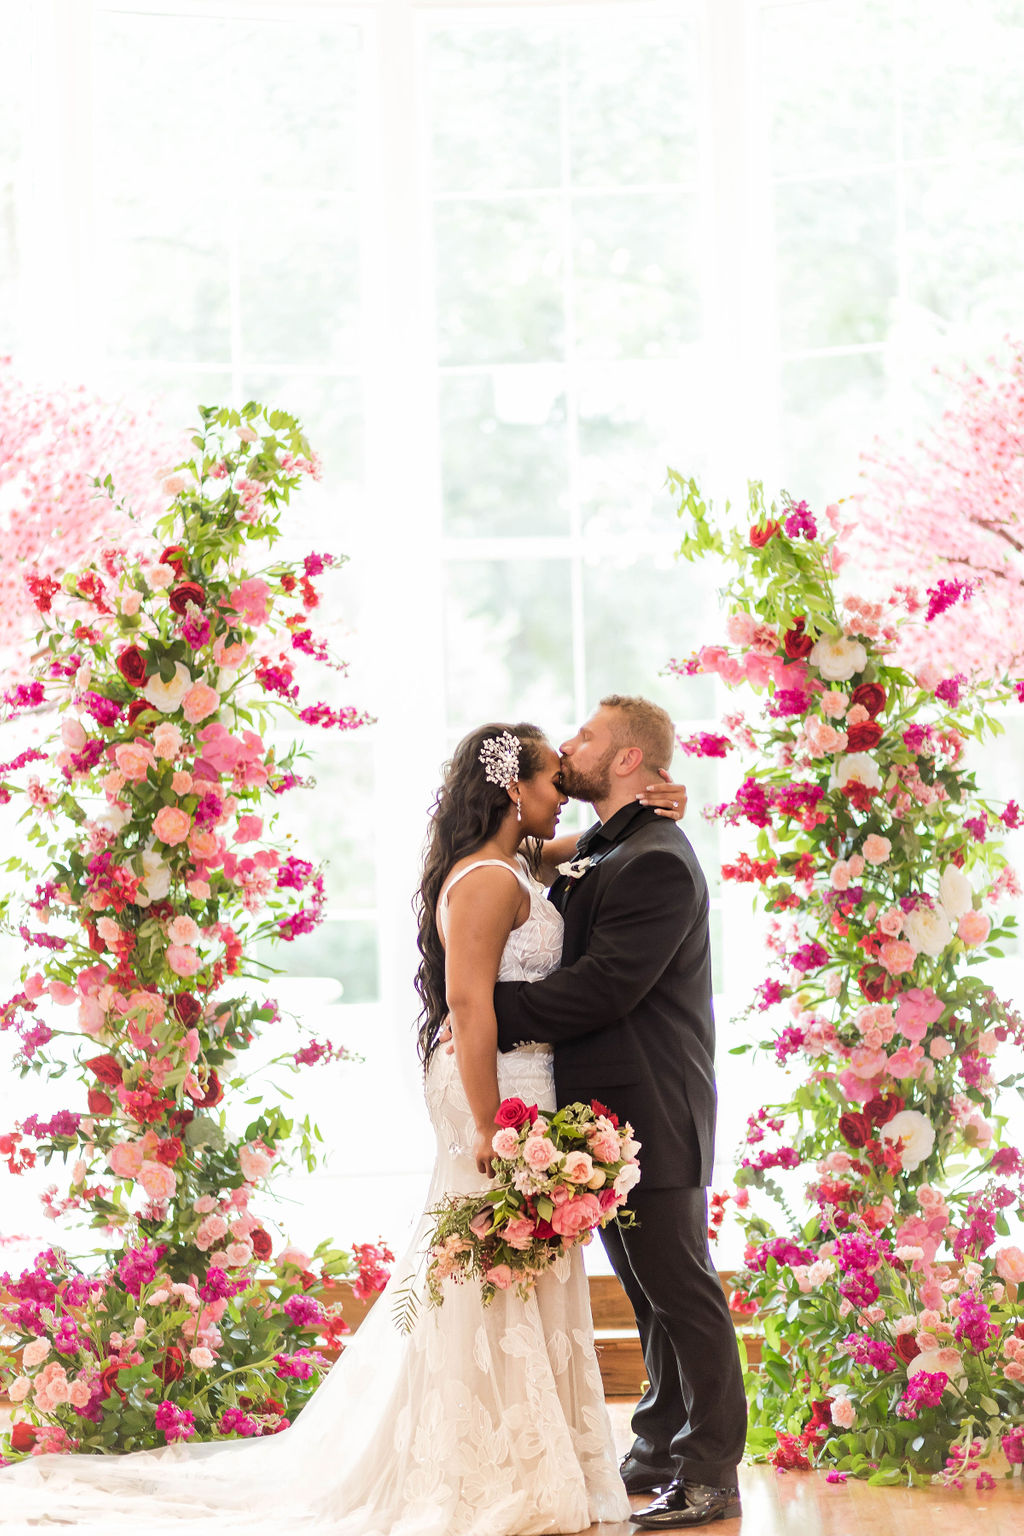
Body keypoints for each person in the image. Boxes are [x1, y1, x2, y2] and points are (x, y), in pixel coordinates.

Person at [0, 719, 685, 1536]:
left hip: (524, 1080)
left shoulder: (518, 863)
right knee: (486, 1263)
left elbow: (585, 844)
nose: (559, 796)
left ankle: (525, 1453)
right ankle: (480, 1463)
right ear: (513, 789)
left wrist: (648, 810)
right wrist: (485, 1123)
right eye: (548, 783)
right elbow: (471, 1006)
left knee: (511, 1262)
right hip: (492, 1087)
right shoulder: (487, 880)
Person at [491, 696, 747, 1530]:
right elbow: (519, 847)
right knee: (646, 1291)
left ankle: (711, 1473)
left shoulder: (657, 860)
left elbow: (604, 988)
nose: (569, 746)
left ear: (630, 759)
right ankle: (660, 1443)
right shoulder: (613, 842)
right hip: (609, 1110)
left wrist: (488, 1011)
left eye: (588, 736)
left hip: (654, 1105)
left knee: (682, 1290)